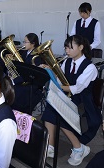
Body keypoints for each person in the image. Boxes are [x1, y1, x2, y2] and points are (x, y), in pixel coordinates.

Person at [41, 35, 102, 166]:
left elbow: (77, 88)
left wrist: (57, 86)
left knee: (61, 112)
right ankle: (50, 145)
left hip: (83, 101)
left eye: (70, 47)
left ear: (81, 47)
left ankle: (79, 148)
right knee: (51, 106)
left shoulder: (90, 67)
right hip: (70, 96)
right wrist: (50, 71)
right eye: (66, 47)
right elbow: (60, 78)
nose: (66, 50)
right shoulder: (67, 62)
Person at [10, 33, 44, 115]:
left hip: (32, 82)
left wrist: (15, 80)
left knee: (16, 89)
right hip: (24, 78)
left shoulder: (37, 56)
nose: (24, 44)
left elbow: (31, 74)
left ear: (33, 43)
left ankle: (20, 112)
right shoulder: (25, 52)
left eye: (25, 42)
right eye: (23, 42)